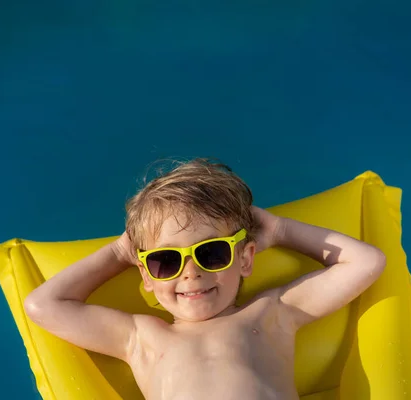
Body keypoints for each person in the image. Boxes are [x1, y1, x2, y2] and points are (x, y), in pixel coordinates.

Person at [24, 158, 386, 400]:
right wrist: (121, 253)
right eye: (165, 260)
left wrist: (280, 230)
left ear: (245, 259)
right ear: (145, 274)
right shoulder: (140, 337)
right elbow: (43, 305)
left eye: (211, 253)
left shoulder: (273, 313)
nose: (191, 272)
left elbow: (365, 263)